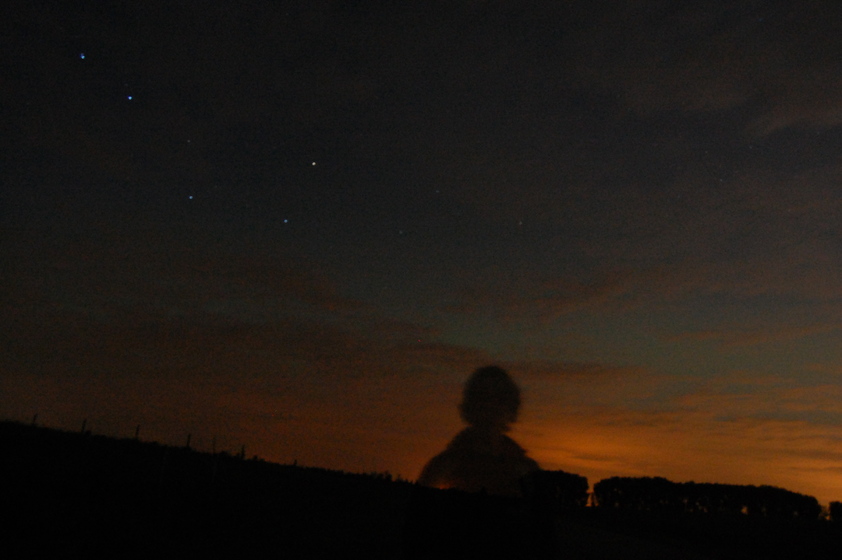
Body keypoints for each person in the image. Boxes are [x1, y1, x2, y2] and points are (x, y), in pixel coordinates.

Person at [417, 365, 540, 497]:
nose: (490, 406)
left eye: (499, 399)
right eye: (483, 398)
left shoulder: (526, 470)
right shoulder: (442, 468)